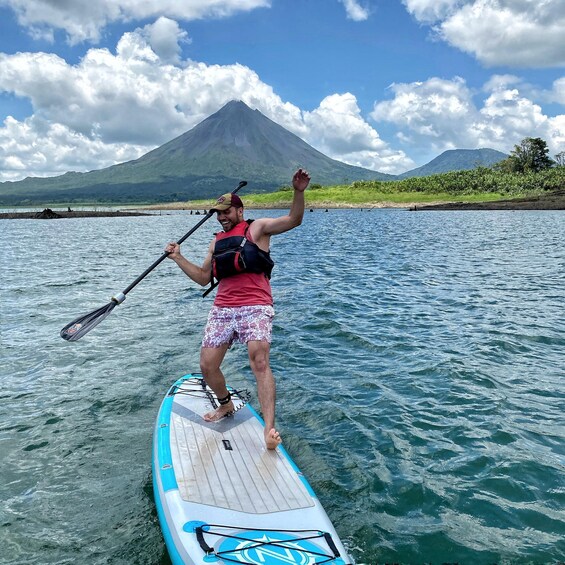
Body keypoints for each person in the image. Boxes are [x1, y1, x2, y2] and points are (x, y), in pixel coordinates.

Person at [165, 169, 310, 450]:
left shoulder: (258, 229)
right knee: (207, 366)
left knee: (259, 361)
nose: (222, 217)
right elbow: (204, 278)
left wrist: (298, 192)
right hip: (223, 308)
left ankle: (269, 430)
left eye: (227, 212)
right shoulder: (216, 242)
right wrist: (178, 258)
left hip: (255, 306)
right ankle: (225, 404)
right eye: (218, 213)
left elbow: (294, 219)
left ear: (240, 211)